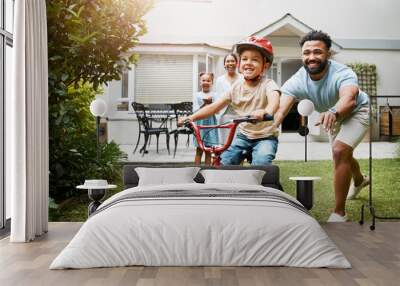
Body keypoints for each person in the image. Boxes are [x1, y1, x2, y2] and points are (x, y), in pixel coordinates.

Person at [274, 30, 370, 222]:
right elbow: (281, 108)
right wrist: (273, 123)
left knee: (339, 151)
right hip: (331, 116)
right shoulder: (298, 79)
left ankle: (339, 213)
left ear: (328, 54)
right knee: (343, 152)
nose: (311, 57)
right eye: (306, 53)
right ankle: (359, 180)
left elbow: (349, 99)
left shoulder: (343, 72)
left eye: (317, 52)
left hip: (356, 111)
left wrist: (334, 112)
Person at [179, 36, 280, 165]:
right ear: (239, 64)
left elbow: (274, 100)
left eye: (254, 60)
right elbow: (214, 107)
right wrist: (190, 118)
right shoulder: (236, 88)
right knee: (224, 161)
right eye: (244, 59)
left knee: (261, 162)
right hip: (243, 136)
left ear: (265, 65)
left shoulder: (268, 84)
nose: (248, 62)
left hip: (265, 137)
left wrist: (266, 111)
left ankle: (264, 184)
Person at [192, 72, 220, 165]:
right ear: (200, 82)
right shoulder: (197, 95)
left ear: (212, 82)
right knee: (199, 149)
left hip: (210, 123)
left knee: (208, 150)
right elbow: (195, 111)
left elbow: (217, 110)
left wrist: (211, 104)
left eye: (208, 80)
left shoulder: (215, 95)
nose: (206, 82)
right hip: (200, 123)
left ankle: (207, 170)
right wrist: (205, 104)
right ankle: (196, 171)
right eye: (203, 80)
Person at [215, 53, 242, 143]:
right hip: (224, 115)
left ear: (237, 63)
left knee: (238, 143)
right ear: (224, 64)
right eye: (228, 61)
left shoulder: (243, 78)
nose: (230, 63)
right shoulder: (220, 80)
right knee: (225, 142)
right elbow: (218, 99)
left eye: (232, 61)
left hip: (240, 115)